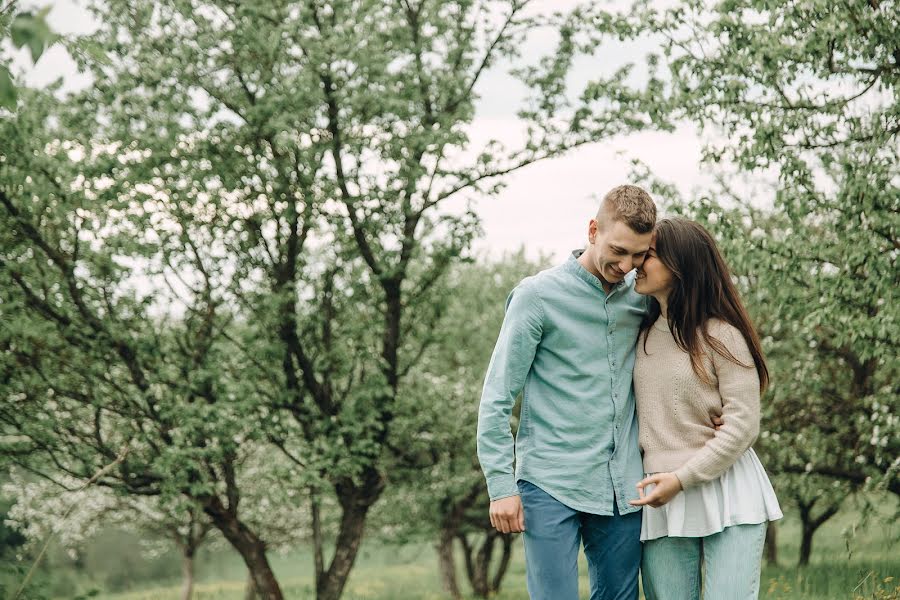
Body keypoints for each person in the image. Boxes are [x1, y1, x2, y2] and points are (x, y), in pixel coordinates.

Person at [476, 184, 656, 600]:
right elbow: (497, 396)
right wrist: (501, 486)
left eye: (638, 255)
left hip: (623, 487)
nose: (626, 265)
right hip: (550, 482)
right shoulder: (536, 297)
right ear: (593, 230)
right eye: (618, 250)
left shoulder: (642, 300)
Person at [629, 217, 783, 600]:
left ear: (679, 265)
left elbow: (742, 425)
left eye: (647, 255)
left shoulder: (720, 334)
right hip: (659, 493)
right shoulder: (637, 332)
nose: (635, 263)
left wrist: (682, 477)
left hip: (726, 487)